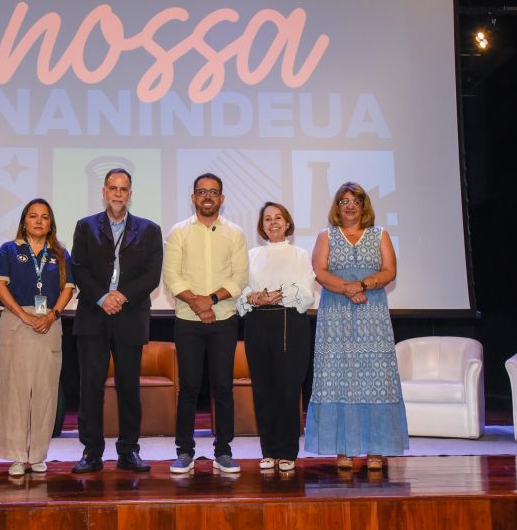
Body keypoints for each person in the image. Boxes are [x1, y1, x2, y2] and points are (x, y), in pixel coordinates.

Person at [304, 181, 408, 471]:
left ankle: (377, 448)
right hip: (335, 316)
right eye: (343, 201)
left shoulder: (380, 235)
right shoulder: (326, 236)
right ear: (337, 207)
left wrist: (361, 285)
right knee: (339, 379)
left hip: (371, 314)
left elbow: (389, 271)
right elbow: (320, 272)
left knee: (375, 378)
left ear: (364, 206)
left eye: (355, 201)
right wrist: (348, 290)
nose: (349, 205)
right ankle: (343, 450)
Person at [70, 168, 163, 473]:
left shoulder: (149, 230)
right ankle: (91, 452)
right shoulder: (85, 227)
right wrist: (102, 297)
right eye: (113, 188)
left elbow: (152, 274)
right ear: (104, 192)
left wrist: (121, 296)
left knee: (128, 387)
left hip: (130, 316)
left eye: (124, 189)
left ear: (130, 194)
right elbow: (79, 268)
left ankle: (128, 451)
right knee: (90, 387)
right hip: (93, 316)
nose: (118, 194)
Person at [163, 173, 248, 474]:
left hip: (224, 319)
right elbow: (172, 276)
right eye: (202, 191)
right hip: (187, 321)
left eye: (213, 192)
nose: (208, 196)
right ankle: (184, 452)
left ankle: (223, 451)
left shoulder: (235, 233)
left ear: (222, 199)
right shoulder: (178, 232)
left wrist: (209, 301)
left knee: (223, 387)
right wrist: (197, 305)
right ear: (193, 197)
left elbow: (239, 278)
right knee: (188, 388)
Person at [0, 198, 74, 476]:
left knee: (45, 391)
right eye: (33, 216)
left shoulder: (60, 254)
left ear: (51, 223)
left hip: (49, 324)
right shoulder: (9, 250)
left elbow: (67, 290)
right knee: (14, 390)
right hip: (16, 322)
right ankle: (15, 455)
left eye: (45, 217)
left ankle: (38, 454)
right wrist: (24, 316)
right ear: (24, 220)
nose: (39, 221)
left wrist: (51, 316)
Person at [236, 202, 315, 473]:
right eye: (267, 219)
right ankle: (269, 450)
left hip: (289, 323)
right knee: (263, 391)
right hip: (258, 323)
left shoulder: (300, 254)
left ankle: (288, 451)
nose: (273, 223)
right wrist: (253, 296)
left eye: (278, 218)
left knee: (288, 390)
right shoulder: (251, 254)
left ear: (287, 222)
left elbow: (305, 291)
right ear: (262, 226)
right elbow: (241, 287)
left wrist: (276, 294)